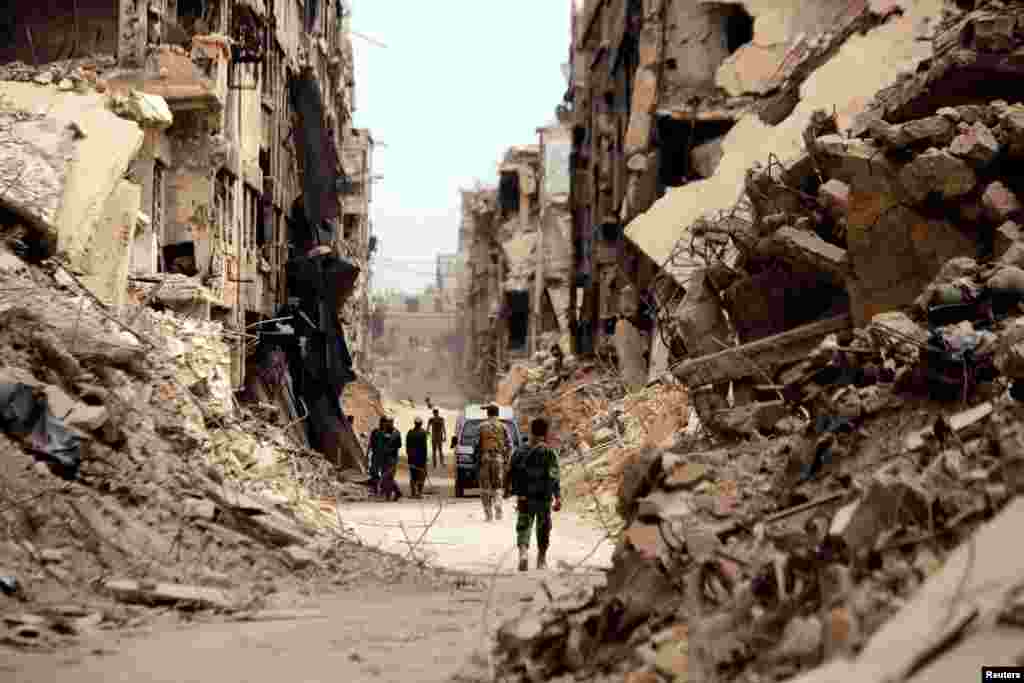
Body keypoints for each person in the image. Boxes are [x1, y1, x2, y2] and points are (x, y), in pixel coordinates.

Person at [505, 417, 561, 571]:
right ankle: (541, 560)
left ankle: (523, 554)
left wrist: (507, 490)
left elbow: (509, 471)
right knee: (544, 528)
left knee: (523, 526)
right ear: (546, 432)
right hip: (543, 498)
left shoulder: (520, 450)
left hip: (524, 497)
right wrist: (558, 497)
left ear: (531, 431)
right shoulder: (549, 452)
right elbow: (554, 476)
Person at [475, 404, 509, 522]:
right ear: (497, 414)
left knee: (485, 487)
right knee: (498, 486)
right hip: (498, 458)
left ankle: (488, 514)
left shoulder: (481, 426)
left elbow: (476, 444)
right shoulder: (503, 426)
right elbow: (509, 444)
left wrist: (476, 460)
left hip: (485, 459)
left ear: (487, 414)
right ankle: (498, 505)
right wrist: (506, 459)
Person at [377, 417, 403, 502]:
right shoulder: (382, 432)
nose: (388, 424)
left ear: (392, 423)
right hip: (383, 459)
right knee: (389, 478)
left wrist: (390, 449)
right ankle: (395, 493)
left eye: (390, 423)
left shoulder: (396, 433)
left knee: (387, 476)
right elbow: (379, 445)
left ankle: (393, 493)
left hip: (392, 459)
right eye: (387, 423)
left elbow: (399, 445)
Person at [406, 417, 429, 498]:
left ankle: (413, 493)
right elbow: (424, 447)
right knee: (421, 476)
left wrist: (409, 457)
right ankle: (419, 493)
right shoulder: (423, 433)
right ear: (421, 424)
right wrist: (425, 458)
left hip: (412, 458)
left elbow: (407, 447)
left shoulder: (410, 433)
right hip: (420, 459)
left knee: (413, 476)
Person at [367, 416, 387, 497]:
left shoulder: (388, 433)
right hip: (375, 455)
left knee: (384, 473)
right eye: (382, 422)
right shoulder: (375, 431)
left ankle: (382, 490)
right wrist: (367, 454)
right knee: (374, 472)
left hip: (384, 456)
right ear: (380, 423)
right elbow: (370, 443)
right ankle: (375, 489)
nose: (383, 424)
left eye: (384, 422)